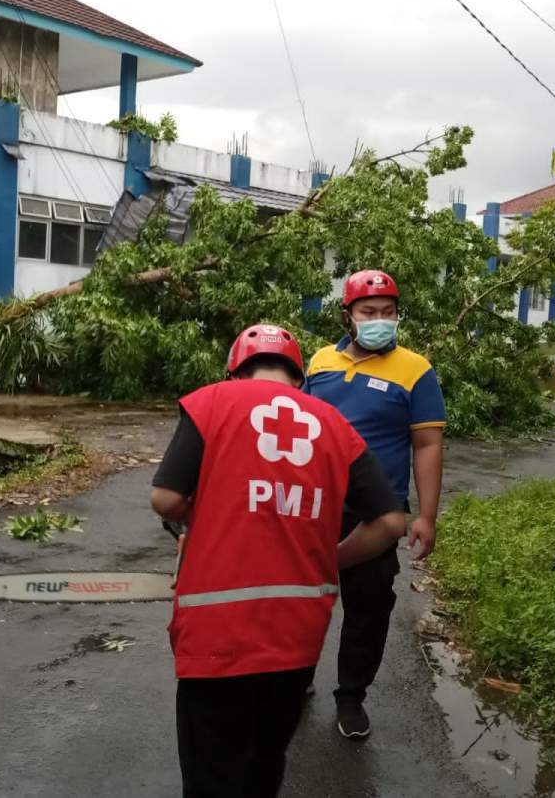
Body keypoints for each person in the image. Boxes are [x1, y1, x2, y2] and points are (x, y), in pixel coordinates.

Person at [151, 323, 406, 798]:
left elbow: (166, 499)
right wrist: (332, 560)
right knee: (264, 764)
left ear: (235, 371)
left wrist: (204, 513)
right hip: (296, 635)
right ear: (297, 375)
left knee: (212, 774)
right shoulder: (333, 424)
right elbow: (391, 523)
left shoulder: (211, 403)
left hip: (216, 636)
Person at [303, 270, 446, 739]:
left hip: (377, 512)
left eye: (388, 313)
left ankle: (351, 697)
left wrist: (425, 516)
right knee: (304, 599)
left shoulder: (416, 369)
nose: (380, 321)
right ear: (348, 316)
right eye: (369, 313)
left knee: (367, 609)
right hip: (315, 506)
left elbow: (426, 445)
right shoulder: (320, 362)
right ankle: (296, 676)